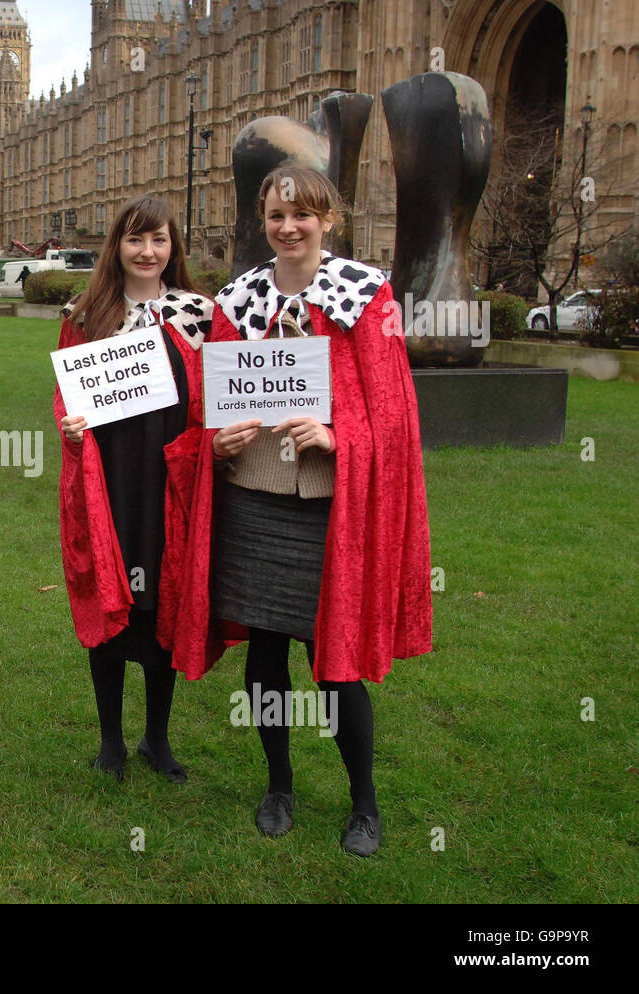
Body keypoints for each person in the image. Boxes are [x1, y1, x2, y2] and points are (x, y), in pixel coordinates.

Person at [173, 165, 432, 856]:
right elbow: (210, 403)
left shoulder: (366, 297)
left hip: (325, 508)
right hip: (254, 500)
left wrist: (340, 436)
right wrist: (214, 439)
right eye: (276, 216)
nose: (288, 228)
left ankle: (364, 802)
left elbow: (397, 418)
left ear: (327, 219)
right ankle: (279, 784)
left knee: (336, 664)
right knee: (265, 656)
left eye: (302, 215)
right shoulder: (237, 299)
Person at [53, 196, 215, 783]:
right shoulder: (87, 314)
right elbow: (67, 400)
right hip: (109, 479)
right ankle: (111, 742)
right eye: (135, 240)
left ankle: (157, 738)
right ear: (116, 247)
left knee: (160, 606)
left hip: (168, 479)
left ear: (174, 249)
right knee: (110, 600)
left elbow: (214, 399)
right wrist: (70, 428)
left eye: (160, 241)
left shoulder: (199, 316)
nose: (148, 252)